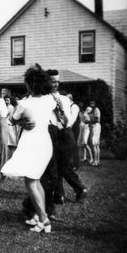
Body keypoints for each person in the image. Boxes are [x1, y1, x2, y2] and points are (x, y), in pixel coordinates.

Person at [1, 64, 55, 233]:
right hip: (45, 143)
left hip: (32, 144)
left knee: (31, 182)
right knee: (36, 180)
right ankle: (40, 216)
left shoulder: (24, 104)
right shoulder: (49, 101)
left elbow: (11, 120)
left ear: (29, 85)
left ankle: (44, 220)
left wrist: (20, 120)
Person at [47, 69, 88, 204]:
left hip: (64, 134)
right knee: (54, 165)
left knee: (65, 166)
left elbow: (67, 122)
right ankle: (59, 195)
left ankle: (80, 189)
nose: (56, 84)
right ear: (47, 82)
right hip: (51, 134)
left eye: (57, 81)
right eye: (53, 81)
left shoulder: (64, 99)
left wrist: (60, 110)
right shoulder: (43, 99)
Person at [67, 94, 80, 170]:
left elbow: (73, 119)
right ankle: (70, 163)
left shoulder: (74, 107)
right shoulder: (68, 107)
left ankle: (75, 164)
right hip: (70, 128)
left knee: (74, 145)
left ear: (70, 99)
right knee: (70, 145)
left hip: (74, 128)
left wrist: (68, 128)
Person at [89, 100, 101, 166]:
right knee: (96, 144)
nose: (91, 104)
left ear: (95, 104)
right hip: (94, 126)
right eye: (91, 103)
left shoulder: (96, 110)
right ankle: (97, 160)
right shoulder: (92, 111)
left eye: (93, 103)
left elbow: (97, 119)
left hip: (96, 126)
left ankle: (96, 161)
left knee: (94, 144)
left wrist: (89, 121)